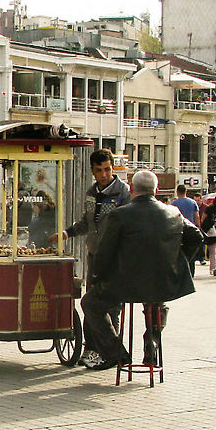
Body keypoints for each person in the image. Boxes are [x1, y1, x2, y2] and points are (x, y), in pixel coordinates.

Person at [80, 170, 202, 370]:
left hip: (126, 283)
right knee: (156, 304)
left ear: (132, 188)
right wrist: (177, 260)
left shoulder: (121, 214)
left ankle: (116, 354)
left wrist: (97, 276)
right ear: (157, 189)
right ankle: (151, 345)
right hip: (161, 281)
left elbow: (106, 251)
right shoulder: (173, 212)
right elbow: (197, 237)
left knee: (91, 303)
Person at [53, 148, 130, 366]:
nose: (104, 174)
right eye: (99, 170)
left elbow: (125, 225)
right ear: (92, 171)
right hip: (94, 255)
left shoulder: (123, 192)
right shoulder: (91, 192)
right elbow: (87, 223)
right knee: (91, 302)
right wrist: (67, 233)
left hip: (113, 258)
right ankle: (93, 349)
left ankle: (111, 353)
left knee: (110, 306)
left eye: (108, 169)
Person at [171, 184, 201, 275]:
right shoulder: (193, 202)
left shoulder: (174, 204)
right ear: (186, 191)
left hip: (178, 228)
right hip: (191, 229)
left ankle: (181, 270)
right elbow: (197, 216)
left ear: (177, 192)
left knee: (179, 250)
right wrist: (198, 226)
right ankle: (191, 271)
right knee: (191, 250)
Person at [192, 192, 208, 265]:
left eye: (198, 200)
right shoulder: (192, 206)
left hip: (203, 227)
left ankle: (202, 258)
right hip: (194, 226)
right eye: (195, 200)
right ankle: (194, 258)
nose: (197, 202)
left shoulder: (205, 208)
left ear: (201, 200)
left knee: (202, 243)